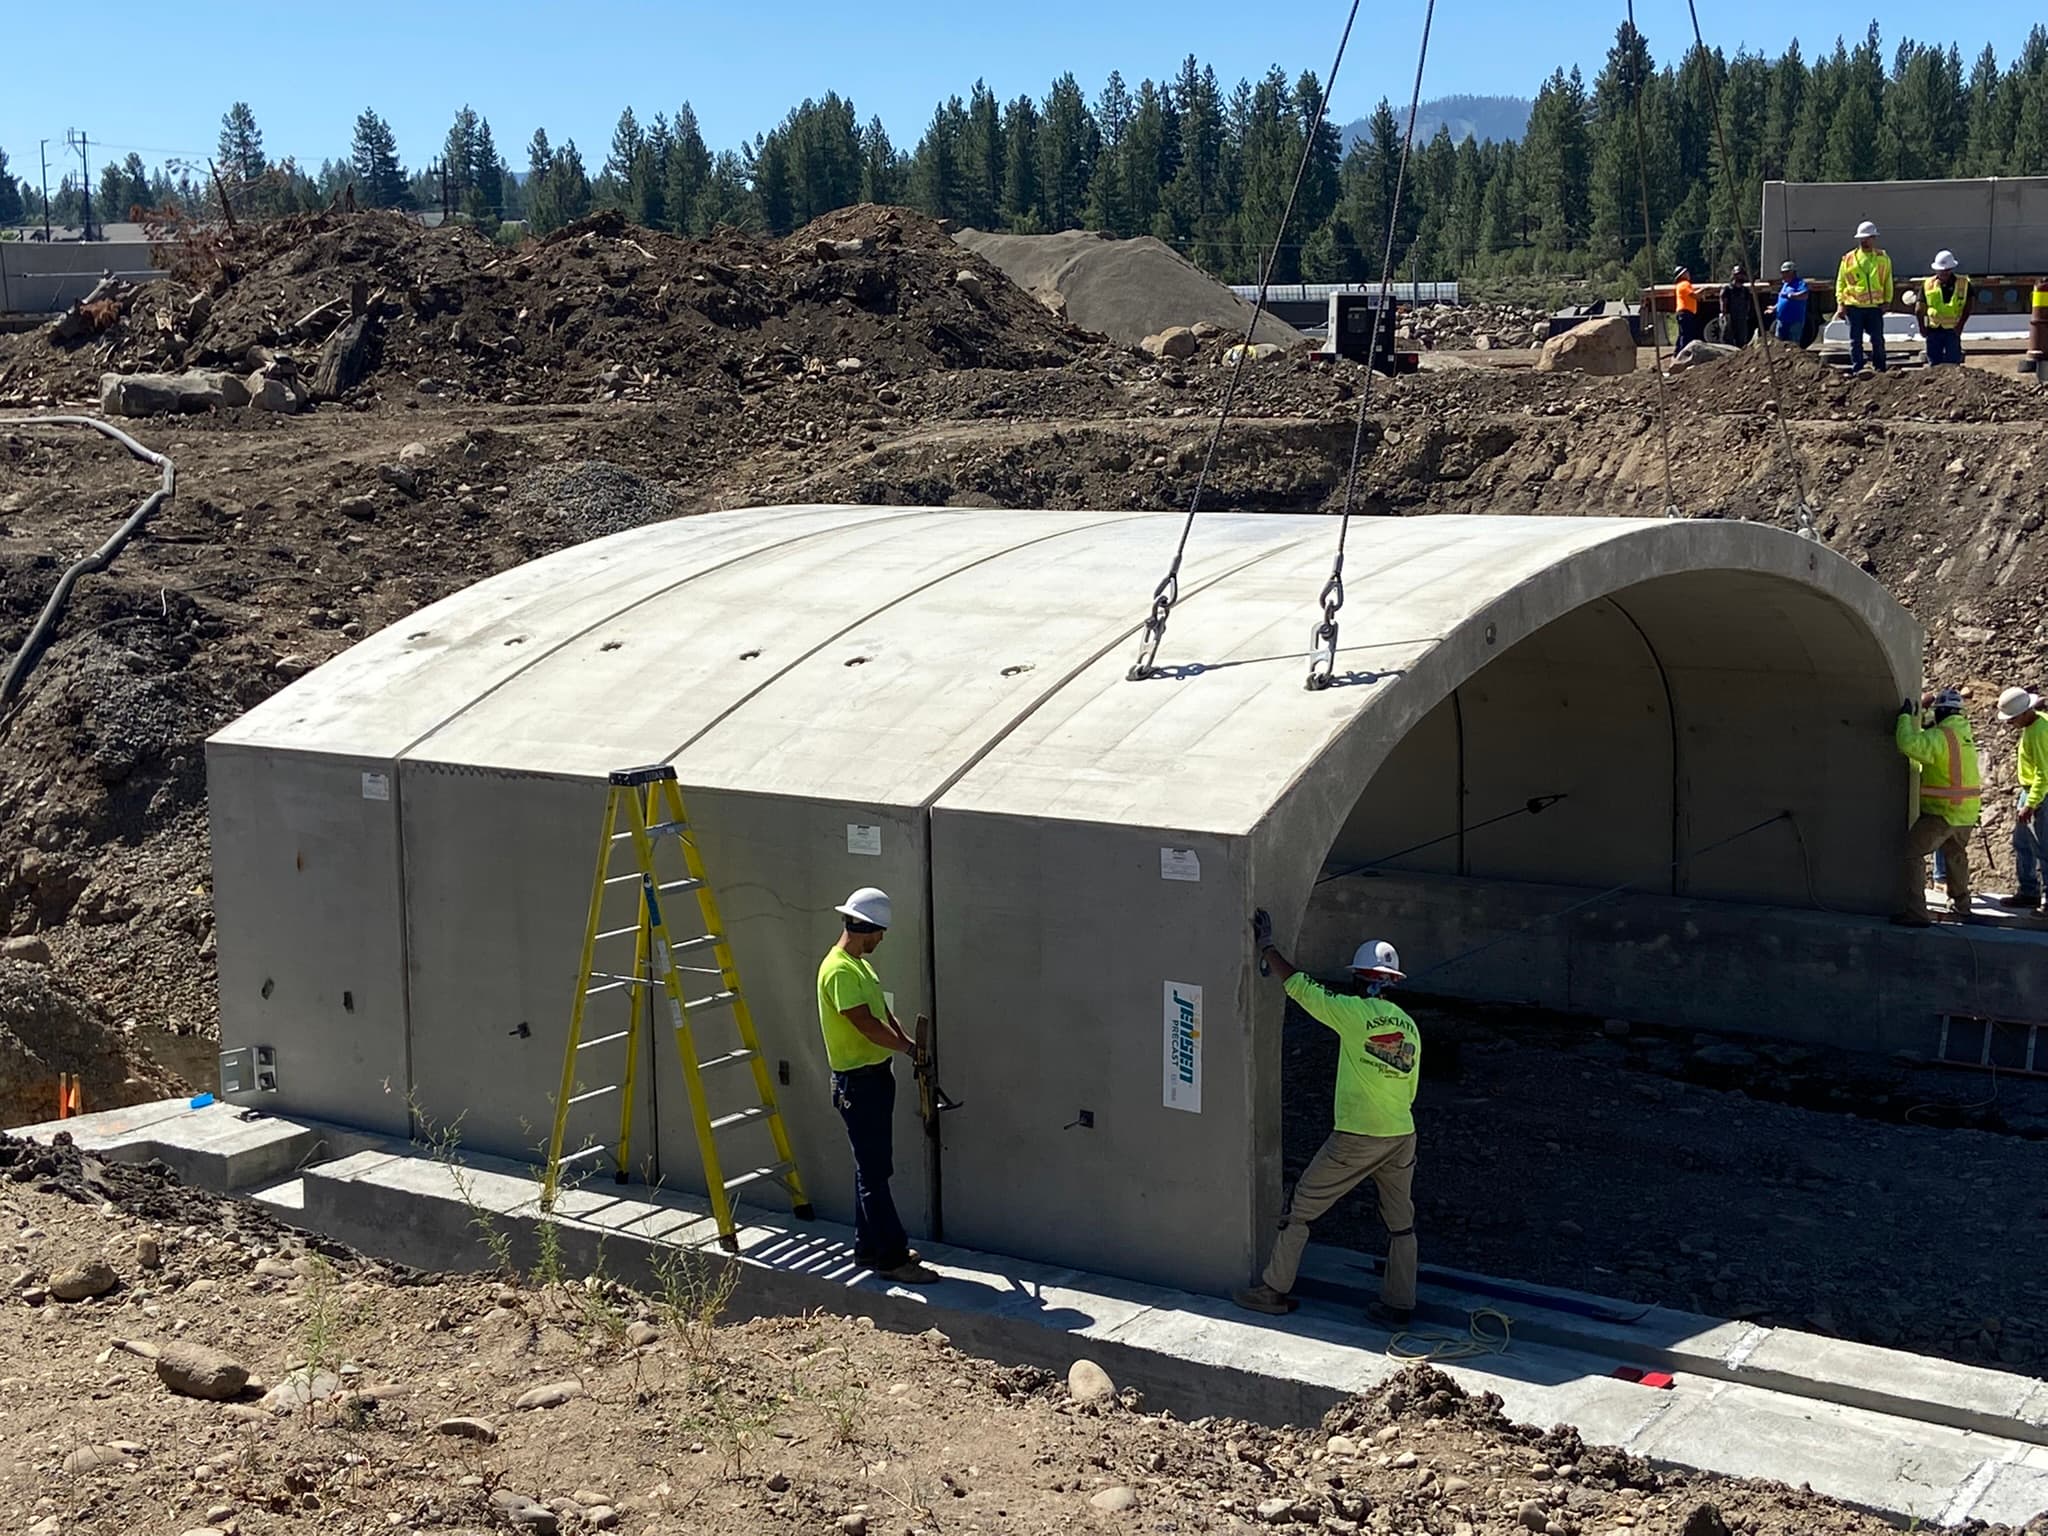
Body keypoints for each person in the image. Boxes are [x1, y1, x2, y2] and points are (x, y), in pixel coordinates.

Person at [1234, 912, 1421, 1330]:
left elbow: (1300, 986)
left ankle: (1273, 1290)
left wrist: (1267, 945)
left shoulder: (1353, 1014)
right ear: (1392, 982)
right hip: (1401, 1133)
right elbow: (1409, 1087)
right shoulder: (1409, 1026)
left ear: (1361, 978)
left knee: (1301, 1210)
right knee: (1400, 1222)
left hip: (1359, 1135)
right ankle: (1399, 1304)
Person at [816, 887, 936, 1283]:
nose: (882, 939)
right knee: (873, 1173)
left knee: (870, 1168)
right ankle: (891, 1258)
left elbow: (882, 1013)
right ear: (864, 928)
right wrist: (904, 1047)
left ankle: (868, 1249)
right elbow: (865, 1025)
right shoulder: (839, 971)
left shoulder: (860, 967)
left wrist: (909, 1046)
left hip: (874, 1078)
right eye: (879, 932)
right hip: (857, 1084)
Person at [1893, 689, 1983, 927]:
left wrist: (1904, 718)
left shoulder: (1940, 736)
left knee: (1912, 853)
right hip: (1966, 812)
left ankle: (1916, 913)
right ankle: (1963, 907)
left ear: (1940, 712)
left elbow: (1908, 744)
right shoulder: (1963, 734)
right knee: (1955, 856)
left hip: (1942, 811)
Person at [1995, 686, 2048, 910]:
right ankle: (2029, 892)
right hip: (2030, 792)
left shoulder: (2040, 732)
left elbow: (2044, 773)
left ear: (2026, 713)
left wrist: (2030, 803)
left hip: (2039, 795)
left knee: (2042, 847)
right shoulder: (2036, 723)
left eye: (2012, 718)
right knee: (2022, 843)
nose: (2010, 723)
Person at [1836, 220, 1894, 375]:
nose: (1864, 241)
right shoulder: (1848, 259)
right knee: (1856, 341)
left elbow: (1887, 281)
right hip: (1854, 307)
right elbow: (1840, 282)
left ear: (1874, 238)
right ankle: (1858, 369)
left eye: (1867, 238)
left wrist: (1887, 301)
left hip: (1875, 307)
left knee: (1877, 340)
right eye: (1862, 238)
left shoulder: (1883, 258)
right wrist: (1840, 303)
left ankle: (1880, 368)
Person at [1918, 250, 1973, 367]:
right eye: (1941, 270)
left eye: (1946, 270)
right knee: (1935, 366)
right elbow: (1919, 309)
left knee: (1953, 365)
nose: (1943, 273)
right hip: (1934, 330)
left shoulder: (1963, 283)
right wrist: (1922, 328)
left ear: (1951, 269)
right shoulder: (1928, 284)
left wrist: (1961, 325)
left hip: (1953, 330)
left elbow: (1969, 305)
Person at [1718, 264, 1756, 346]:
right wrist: (1724, 314)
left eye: (1742, 274)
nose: (1740, 277)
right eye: (1738, 275)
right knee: (1728, 338)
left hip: (1741, 317)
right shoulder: (1727, 289)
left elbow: (1748, 303)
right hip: (1729, 317)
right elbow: (1723, 301)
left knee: (1742, 339)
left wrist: (1747, 314)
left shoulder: (1745, 290)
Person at [1774, 261, 1809, 344]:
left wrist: (1792, 296)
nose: (1783, 275)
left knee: (1793, 344)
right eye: (1782, 273)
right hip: (1782, 320)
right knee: (1778, 344)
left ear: (1792, 272)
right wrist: (1775, 307)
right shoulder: (1785, 284)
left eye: (1785, 272)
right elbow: (1782, 299)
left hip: (1794, 321)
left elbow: (1805, 295)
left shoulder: (1799, 283)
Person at [1673, 265, 1702, 348]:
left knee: (1683, 334)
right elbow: (1693, 295)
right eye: (1686, 272)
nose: (1688, 274)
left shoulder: (1680, 285)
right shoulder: (1685, 284)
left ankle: (1678, 352)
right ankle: (1683, 353)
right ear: (1682, 275)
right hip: (1686, 312)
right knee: (1687, 335)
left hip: (1683, 312)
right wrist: (1704, 290)